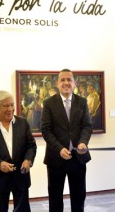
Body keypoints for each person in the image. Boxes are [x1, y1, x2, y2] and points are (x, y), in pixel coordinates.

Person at [41, 69, 93, 212]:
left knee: (78, 197)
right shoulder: (49, 103)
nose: (66, 83)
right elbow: (46, 129)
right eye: (62, 80)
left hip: (78, 158)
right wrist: (59, 148)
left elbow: (87, 125)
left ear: (74, 83)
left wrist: (83, 142)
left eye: (69, 80)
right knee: (55, 198)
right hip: (56, 159)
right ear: (57, 83)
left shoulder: (82, 102)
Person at [0, 90, 37, 212]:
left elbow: (31, 146)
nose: (10, 109)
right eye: (6, 106)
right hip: (0, 179)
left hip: (21, 176)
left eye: (12, 105)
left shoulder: (23, 123)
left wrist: (28, 160)